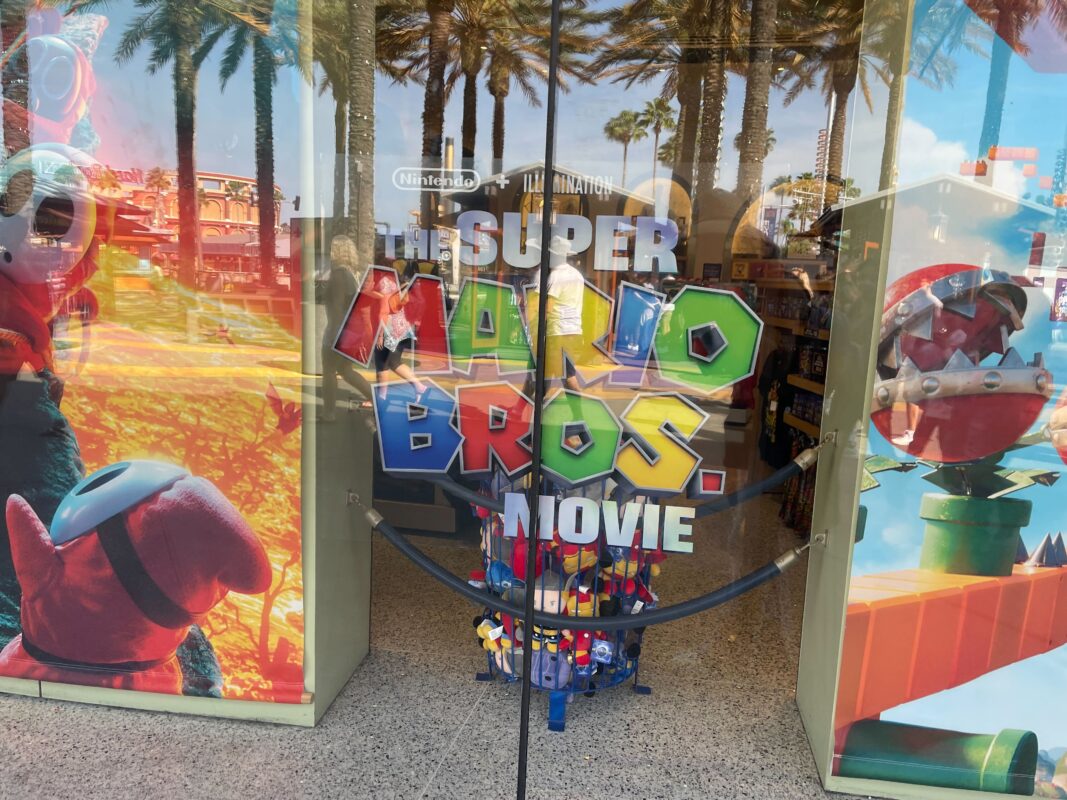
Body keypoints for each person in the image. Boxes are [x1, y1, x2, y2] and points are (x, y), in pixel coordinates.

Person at [319, 235, 374, 422]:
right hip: (350, 331)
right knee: (346, 370)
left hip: (338, 331)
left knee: (329, 370)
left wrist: (333, 337)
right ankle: (376, 401)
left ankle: (329, 413)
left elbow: (337, 307)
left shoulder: (339, 275)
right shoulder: (351, 274)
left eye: (332, 248)